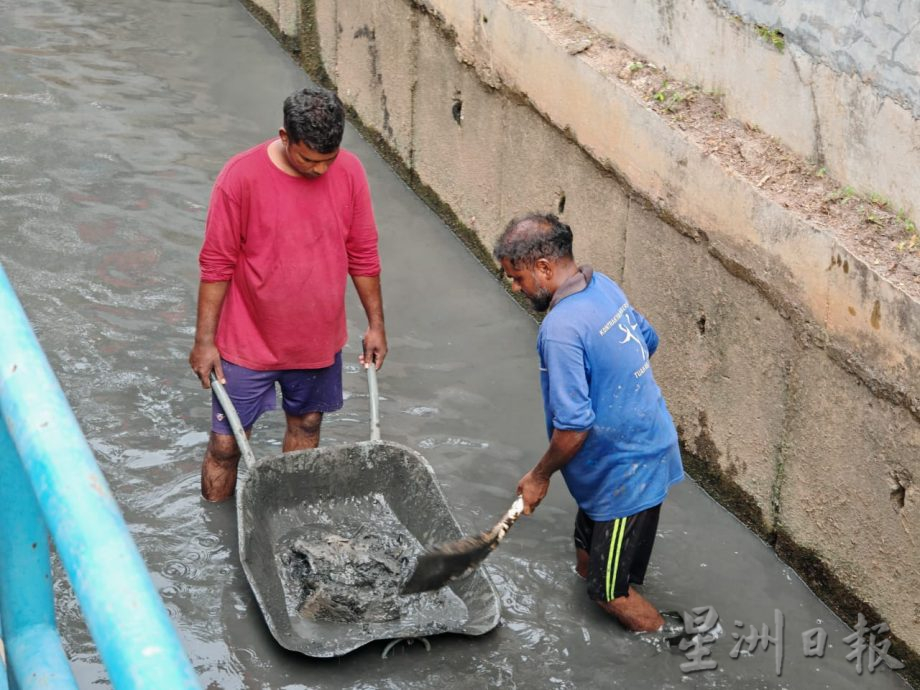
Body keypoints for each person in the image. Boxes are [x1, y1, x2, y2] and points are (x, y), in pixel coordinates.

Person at [189, 86, 387, 502]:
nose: (320, 170)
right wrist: (205, 342)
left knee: (307, 426)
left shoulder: (350, 172)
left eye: (328, 159)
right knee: (226, 445)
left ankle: (285, 517)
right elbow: (216, 264)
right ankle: (217, 522)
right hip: (246, 341)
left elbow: (363, 252)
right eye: (309, 160)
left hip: (316, 339)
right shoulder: (239, 178)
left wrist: (376, 325)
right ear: (284, 137)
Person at [493, 213, 683, 633]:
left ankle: (671, 643)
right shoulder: (603, 287)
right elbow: (648, 340)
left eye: (518, 278)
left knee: (608, 592)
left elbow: (574, 427)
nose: (516, 287)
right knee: (585, 558)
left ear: (544, 267)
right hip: (617, 459)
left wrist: (539, 476)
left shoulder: (559, 329)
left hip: (627, 473)